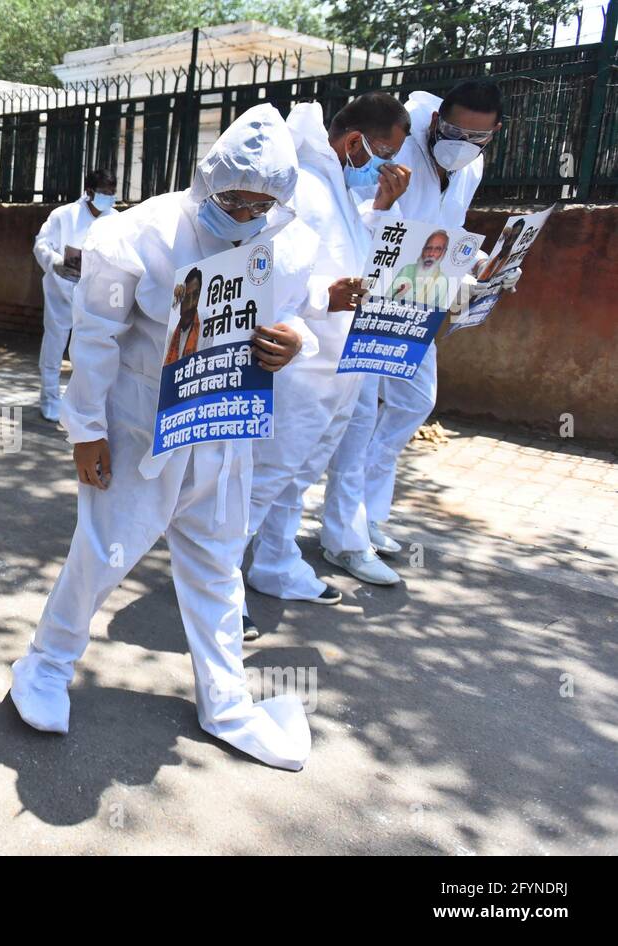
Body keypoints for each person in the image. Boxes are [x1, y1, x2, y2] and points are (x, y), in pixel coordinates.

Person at [9, 104, 319, 771]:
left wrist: (294, 340)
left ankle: (226, 699)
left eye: (260, 203)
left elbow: (297, 312)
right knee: (102, 554)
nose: (243, 213)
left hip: (226, 429)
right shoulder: (140, 233)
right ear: (209, 179)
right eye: (233, 198)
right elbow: (95, 338)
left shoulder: (285, 239)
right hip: (138, 424)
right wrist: (84, 430)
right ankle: (45, 666)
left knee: (216, 568)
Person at [241, 93, 412, 638]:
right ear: (355, 141)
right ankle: (214, 585)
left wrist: (382, 208)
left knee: (297, 476)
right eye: (387, 153)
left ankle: (274, 563)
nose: (390, 166)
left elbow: (353, 251)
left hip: (340, 365)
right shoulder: (304, 187)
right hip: (298, 366)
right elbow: (272, 271)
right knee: (262, 480)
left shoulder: (336, 184)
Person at [321, 80, 501, 583]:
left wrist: (483, 264)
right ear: (438, 118)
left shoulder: (471, 166)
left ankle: (369, 514)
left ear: (495, 135)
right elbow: (356, 218)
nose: (463, 142)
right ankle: (344, 537)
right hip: (371, 298)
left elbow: (451, 230)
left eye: (478, 136)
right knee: (358, 418)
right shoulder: (399, 146)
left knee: (414, 402)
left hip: (420, 295)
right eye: (456, 129)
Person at [33, 169, 118, 422]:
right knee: (55, 343)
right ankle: (49, 399)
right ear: (89, 192)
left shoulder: (115, 219)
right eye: (104, 193)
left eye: (112, 194)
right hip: (61, 289)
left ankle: (86, 403)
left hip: (96, 293)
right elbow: (42, 244)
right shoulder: (63, 216)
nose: (109, 198)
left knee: (91, 348)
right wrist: (56, 262)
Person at [388, 229, 450, 308]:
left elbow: (437, 313)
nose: (431, 254)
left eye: (438, 249)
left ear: (444, 253)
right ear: (423, 249)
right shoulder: (407, 269)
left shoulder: (442, 280)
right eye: (428, 248)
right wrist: (398, 295)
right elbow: (385, 299)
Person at [164, 267, 201, 364]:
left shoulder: (204, 326)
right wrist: (176, 300)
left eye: (196, 295)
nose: (191, 304)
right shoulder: (172, 331)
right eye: (187, 297)